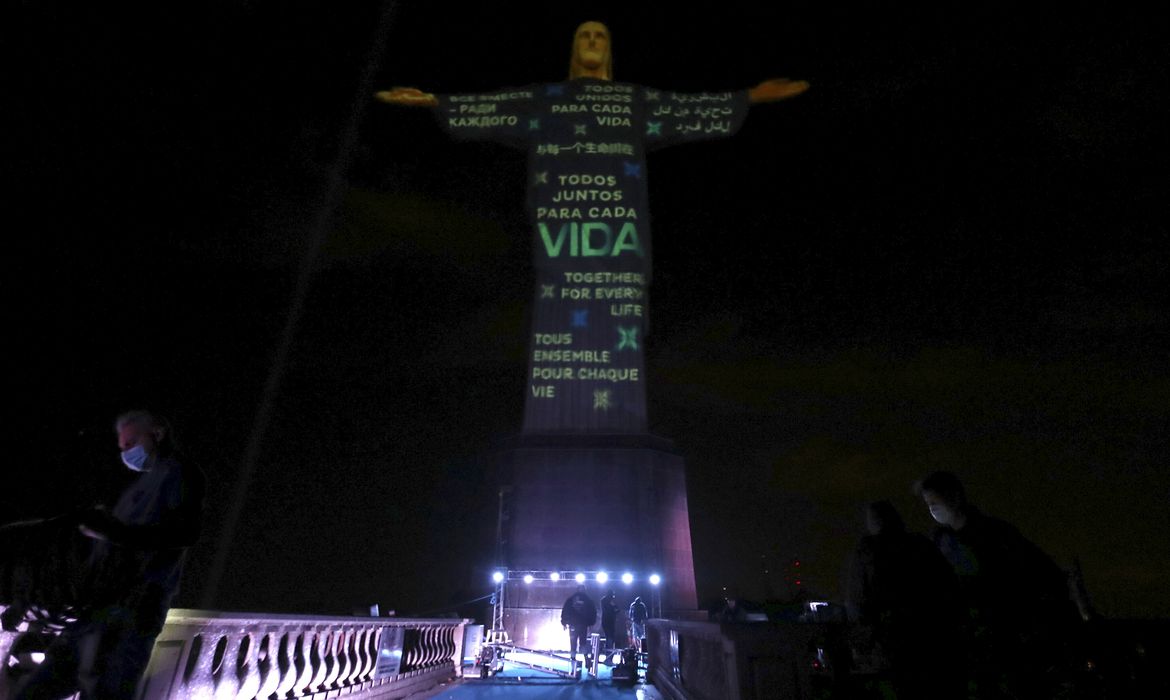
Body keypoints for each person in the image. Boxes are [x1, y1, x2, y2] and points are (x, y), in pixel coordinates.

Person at [375, 21, 808, 435]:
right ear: (574, 46)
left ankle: (616, 422)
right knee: (554, 322)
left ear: (608, 47)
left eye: (600, 35)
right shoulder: (548, 99)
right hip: (561, 237)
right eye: (585, 34)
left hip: (617, 240)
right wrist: (435, 102)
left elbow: (684, 107)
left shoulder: (631, 101)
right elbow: (498, 106)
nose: (592, 40)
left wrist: (748, 97)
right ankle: (557, 421)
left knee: (621, 330)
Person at [11, 410, 205, 699]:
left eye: (131, 443)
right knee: (43, 687)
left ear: (157, 433)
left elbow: (183, 534)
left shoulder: (180, 474)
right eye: (122, 447)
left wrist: (111, 532)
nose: (125, 452)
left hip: (134, 610)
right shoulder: (143, 485)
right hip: (100, 609)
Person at [917, 471, 1077, 698]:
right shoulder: (939, 542)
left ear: (955, 496)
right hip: (966, 639)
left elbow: (1037, 568)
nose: (932, 508)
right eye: (928, 504)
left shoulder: (995, 534)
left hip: (1002, 635)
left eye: (935, 501)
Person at [845, 500, 965, 700]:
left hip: (891, 639)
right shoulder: (920, 544)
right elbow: (948, 586)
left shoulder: (867, 550)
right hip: (930, 638)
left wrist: (863, 641)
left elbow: (857, 599)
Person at [560, 584, 597, 672]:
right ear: (584, 590)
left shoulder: (571, 599)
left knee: (573, 643)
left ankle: (573, 660)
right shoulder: (588, 600)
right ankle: (586, 659)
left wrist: (564, 622)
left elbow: (565, 610)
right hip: (583, 625)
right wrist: (591, 623)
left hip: (573, 624)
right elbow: (593, 612)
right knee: (583, 643)